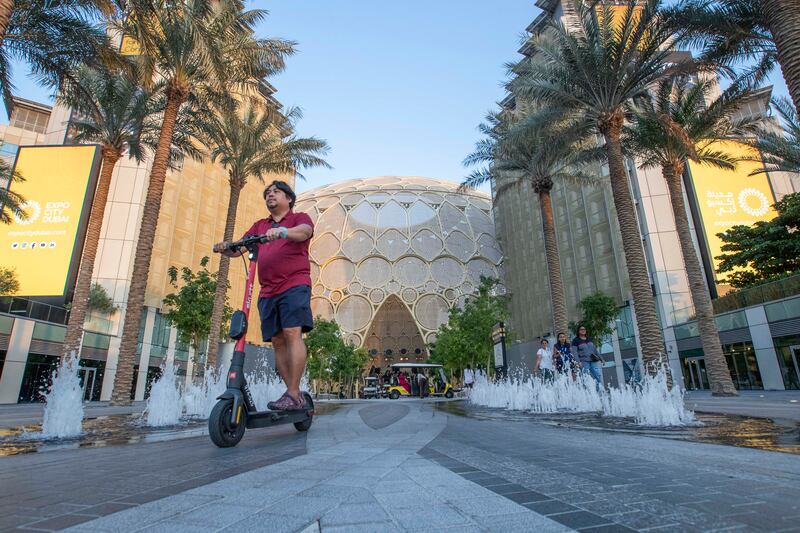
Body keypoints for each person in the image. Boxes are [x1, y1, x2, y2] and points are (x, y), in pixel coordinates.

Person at [213, 180, 314, 411]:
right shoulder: (260, 225)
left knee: (291, 332)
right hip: (267, 289)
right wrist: (226, 248)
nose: (270, 195)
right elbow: (241, 248)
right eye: (267, 193)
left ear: (289, 198)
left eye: (276, 192)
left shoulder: (299, 219)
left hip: (294, 284)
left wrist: (283, 232)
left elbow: (305, 233)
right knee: (277, 341)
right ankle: (293, 395)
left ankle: (293, 391)